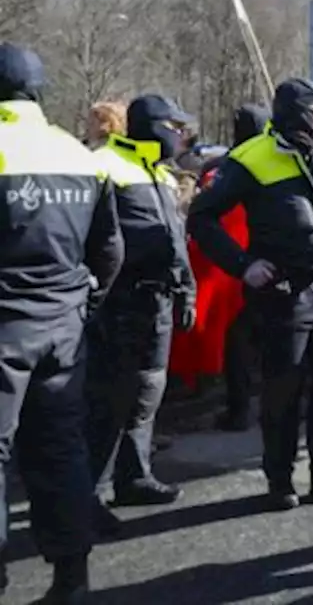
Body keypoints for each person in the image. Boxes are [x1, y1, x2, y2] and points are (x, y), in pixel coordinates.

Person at [187, 77, 313, 511]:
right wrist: (244, 265)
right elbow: (202, 218)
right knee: (283, 388)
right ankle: (280, 478)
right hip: (284, 293)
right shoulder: (251, 159)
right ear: (300, 113)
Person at [0, 43, 124, 602]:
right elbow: (111, 250)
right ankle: (71, 578)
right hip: (63, 324)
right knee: (60, 448)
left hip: (4, 323)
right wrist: (82, 305)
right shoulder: (78, 154)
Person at [86, 94, 198, 513]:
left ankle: (134, 476)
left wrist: (187, 289)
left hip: (158, 302)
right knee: (109, 400)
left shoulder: (163, 176)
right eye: (175, 126)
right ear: (153, 126)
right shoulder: (102, 166)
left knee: (148, 392)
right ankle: (91, 495)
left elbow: (176, 240)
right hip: (117, 305)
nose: (181, 135)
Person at [186, 104, 268, 432]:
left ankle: (239, 408)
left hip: (234, 265)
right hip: (264, 261)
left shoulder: (223, 169)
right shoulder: (274, 161)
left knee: (238, 342)